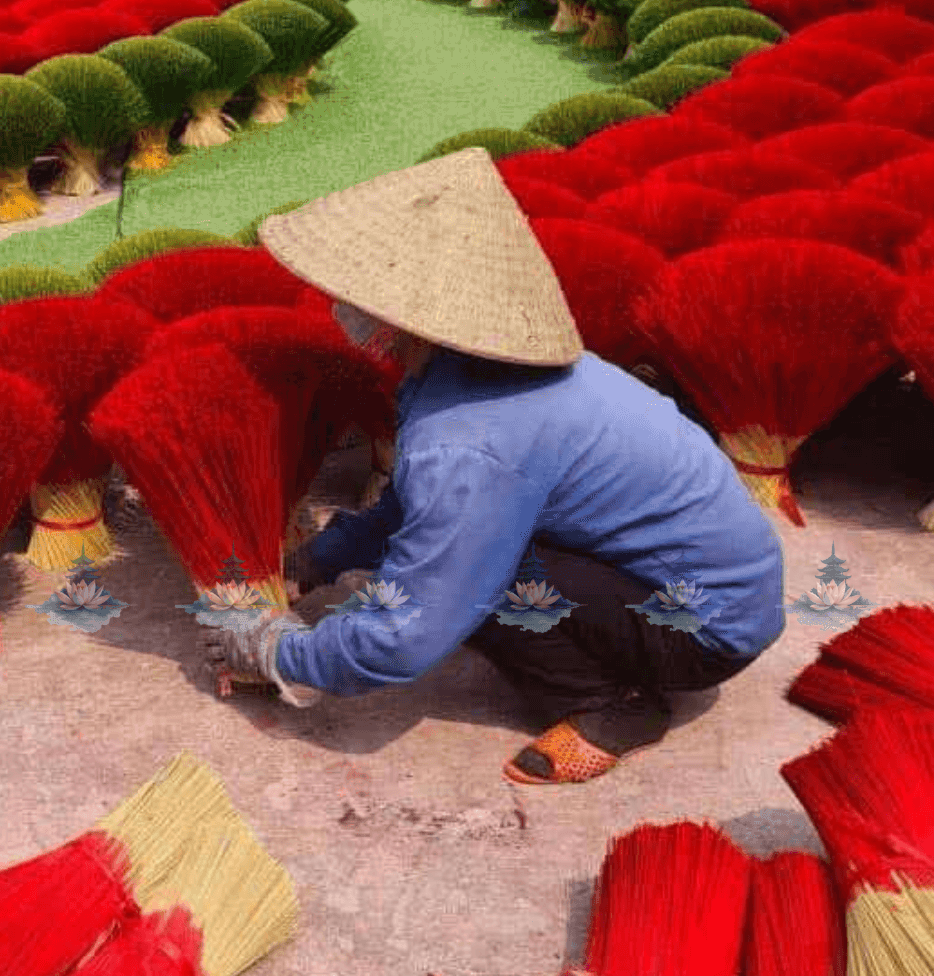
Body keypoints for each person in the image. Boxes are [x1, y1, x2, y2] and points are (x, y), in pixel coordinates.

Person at [205, 148, 786, 786]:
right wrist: (325, 556)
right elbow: (421, 501)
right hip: (703, 585)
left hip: (704, 628)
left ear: (409, 315)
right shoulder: (466, 375)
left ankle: (615, 705)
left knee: (476, 583)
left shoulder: (471, 437)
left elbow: (409, 634)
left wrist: (284, 654)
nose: (339, 306)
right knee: (461, 543)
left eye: (353, 295)